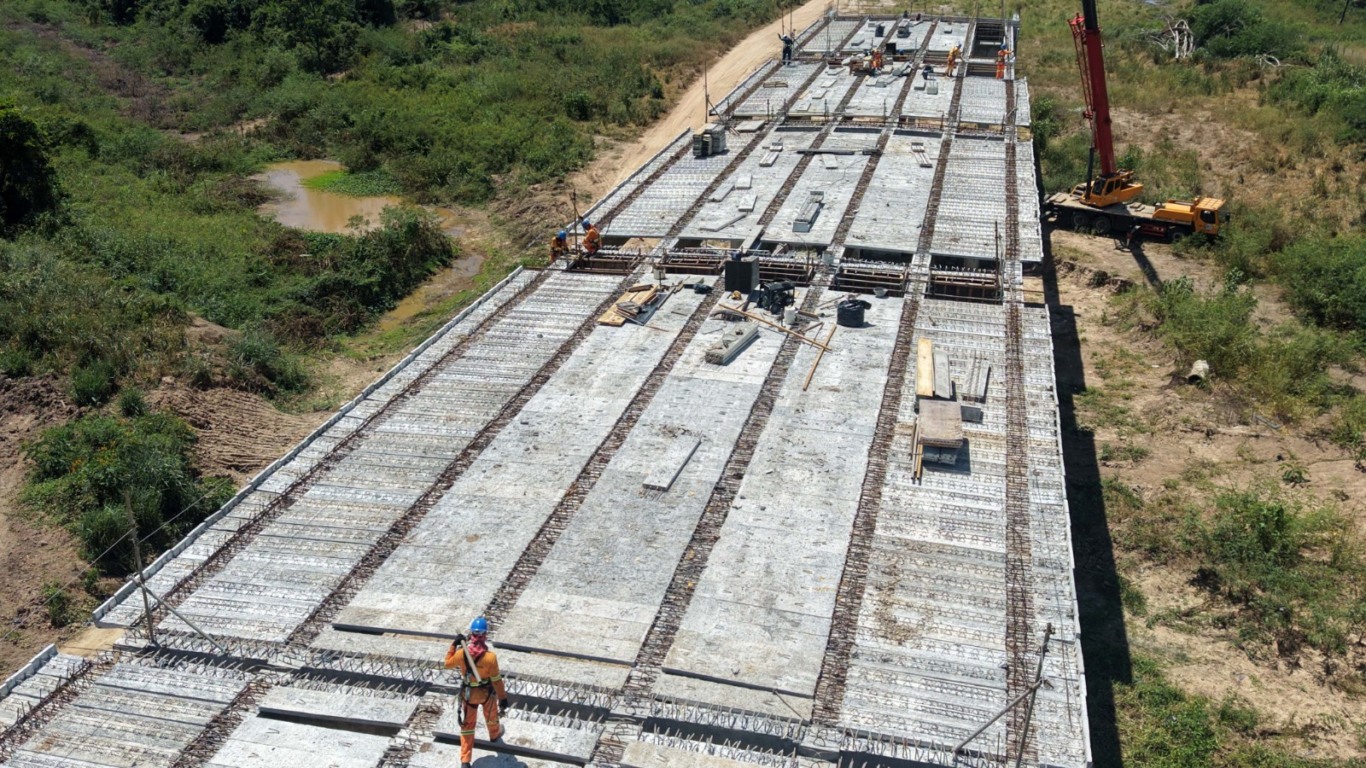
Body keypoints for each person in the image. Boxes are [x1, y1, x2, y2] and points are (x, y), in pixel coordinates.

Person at [444, 617, 509, 768]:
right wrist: (503, 698)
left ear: (471, 634)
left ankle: (465, 760)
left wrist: (454, 645)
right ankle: (494, 735)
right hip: (486, 693)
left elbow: (447, 663)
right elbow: (497, 680)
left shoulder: (461, 654)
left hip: (469, 694)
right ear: (485, 635)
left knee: (467, 727)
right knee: (491, 716)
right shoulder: (490, 658)